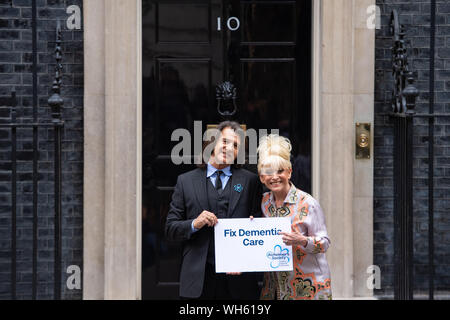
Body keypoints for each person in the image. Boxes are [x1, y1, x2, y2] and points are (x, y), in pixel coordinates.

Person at [165, 121, 262, 300]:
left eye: (235, 145)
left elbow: (260, 225)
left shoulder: (251, 182)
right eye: (224, 142)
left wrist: (253, 227)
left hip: (239, 281)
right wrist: (195, 223)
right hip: (198, 280)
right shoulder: (185, 182)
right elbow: (171, 230)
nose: (229, 148)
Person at [257, 134, 332, 300]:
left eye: (280, 171)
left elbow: (325, 243)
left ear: (289, 172)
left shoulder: (308, 203)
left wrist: (303, 240)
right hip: (274, 287)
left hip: (308, 286)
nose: (274, 176)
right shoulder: (263, 203)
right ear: (262, 177)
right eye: (268, 172)